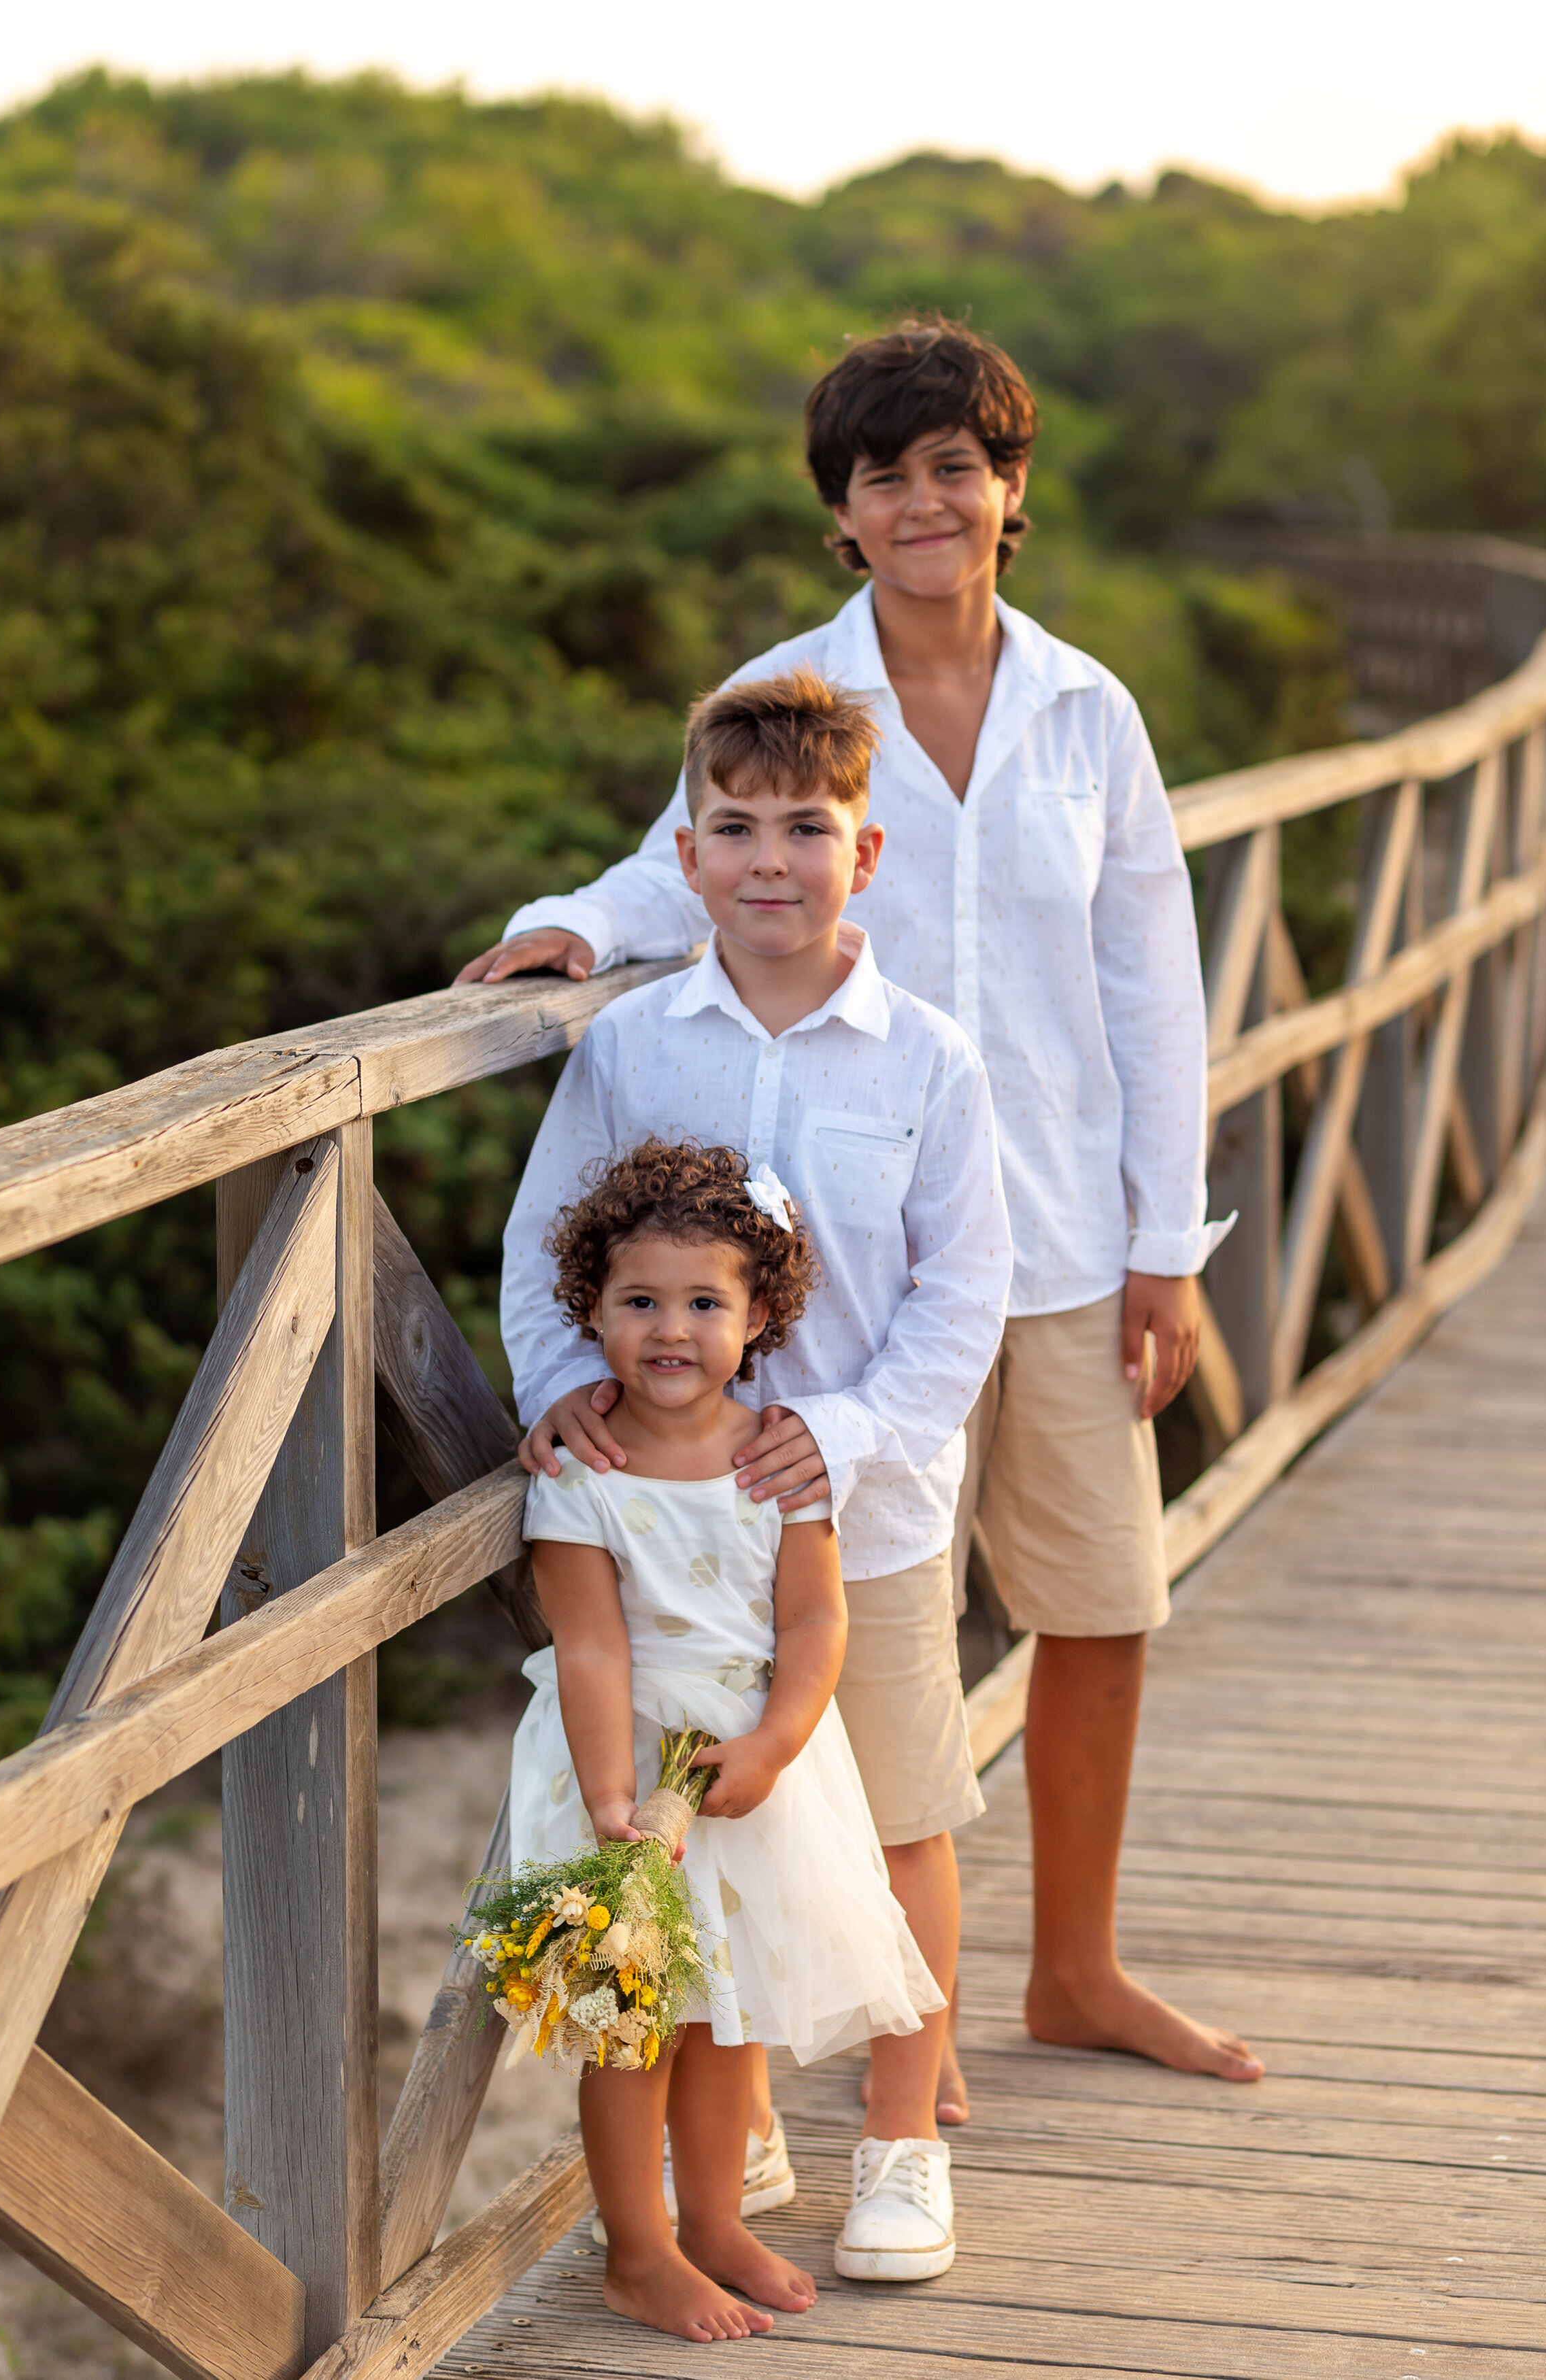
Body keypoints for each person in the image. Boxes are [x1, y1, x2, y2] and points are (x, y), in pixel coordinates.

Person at [463, 318, 1264, 2093]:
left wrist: (1164, 1243)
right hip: (851, 1274)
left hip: (1057, 1234)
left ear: (1008, 490)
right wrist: (578, 930)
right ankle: (913, 2002)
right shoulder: (796, 694)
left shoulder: (1085, 710)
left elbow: (1151, 979)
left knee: (1097, 1601)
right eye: (881, 475)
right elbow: (695, 853)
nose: (921, 501)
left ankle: (1075, 1966)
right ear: (839, 509)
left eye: (953, 469)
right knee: (880, 1632)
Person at [501, 667, 1013, 2279]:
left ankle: (902, 2138)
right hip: (659, 1531)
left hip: (856, 1514)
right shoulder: (639, 1043)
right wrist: (563, 1386)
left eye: (810, 827)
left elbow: (963, 1292)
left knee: (894, 1816)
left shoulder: (926, 1059)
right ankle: (734, 2144)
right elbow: (540, 1242)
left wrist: (845, 1434)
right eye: (738, 827)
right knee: (686, 1831)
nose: (773, 857)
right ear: (688, 850)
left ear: (868, 855)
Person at [513, 1137, 945, 2340]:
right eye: (638, 1301)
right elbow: (591, 1646)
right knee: (633, 2021)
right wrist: (614, 1810)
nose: (669, 1329)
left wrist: (777, 1746)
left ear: (760, 1316)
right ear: (590, 1310)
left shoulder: (780, 1458)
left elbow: (815, 1621)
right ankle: (636, 2252)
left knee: (723, 2019)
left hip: (749, 1766)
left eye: (705, 1303)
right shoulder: (580, 1472)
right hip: (629, 1771)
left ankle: (710, 2222)